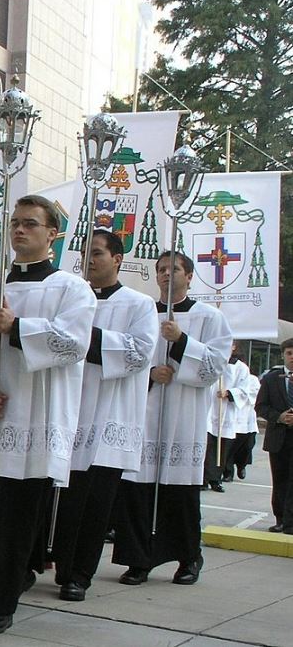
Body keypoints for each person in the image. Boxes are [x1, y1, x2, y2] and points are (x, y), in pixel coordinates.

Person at [0, 194, 96, 634]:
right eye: (15, 223)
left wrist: (18, 329)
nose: (19, 230)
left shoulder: (71, 290)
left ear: (53, 234)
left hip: (31, 418)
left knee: (14, 514)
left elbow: (74, 344)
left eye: (31, 223)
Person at [50, 230, 158, 602]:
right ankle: (57, 563)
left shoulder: (139, 304)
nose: (88, 260)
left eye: (97, 253)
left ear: (118, 259)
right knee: (62, 500)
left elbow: (139, 353)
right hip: (69, 411)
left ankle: (79, 574)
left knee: (94, 505)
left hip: (110, 415)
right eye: (84, 253)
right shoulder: (72, 299)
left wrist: (83, 336)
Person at [112, 251, 231, 586]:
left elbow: (214, 367)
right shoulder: (143, 311)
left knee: (180, 495)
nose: (166, 274)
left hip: (184, 416)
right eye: (161, 269)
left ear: (189, 276)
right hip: (144, 413)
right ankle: (138, 559)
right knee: (137, 491)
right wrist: (150, 373)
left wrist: (180, 342)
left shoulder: (209, 317)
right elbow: (127, 355)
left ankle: (188, 558)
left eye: (174, 269)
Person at [205, 341, 257, 490]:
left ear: (234, 347)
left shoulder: (240, 367)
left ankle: (215, 479)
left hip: (226, 410)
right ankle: (202, 479)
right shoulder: (211, 361)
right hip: (209, 408)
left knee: (221, 447)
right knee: (206, 445)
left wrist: (229, 393)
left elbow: (245, 388)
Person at [256, 338, 293, 534]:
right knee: (280, 480)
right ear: (283, 355)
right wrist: (279, 417)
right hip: (279, 438)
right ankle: (280, 519)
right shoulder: (271, 379)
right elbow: (260, 406)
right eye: (289, 353)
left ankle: (291, 522)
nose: (292, 357)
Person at [221, 344, 260, 482]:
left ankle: (241, 465)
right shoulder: (228, 376)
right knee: (229, 448)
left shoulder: (254, 380)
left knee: (247, 446)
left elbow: (252, 396)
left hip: (247, 419)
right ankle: (228, 472)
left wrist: (235, 394)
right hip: (233, 417)